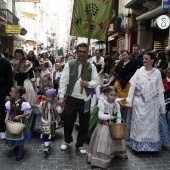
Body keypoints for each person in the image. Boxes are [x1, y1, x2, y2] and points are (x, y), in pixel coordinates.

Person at [58, 43, 99, 154]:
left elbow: (96, 81)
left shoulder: (92, 66)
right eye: (80, 51)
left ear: (87, 53)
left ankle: (80, 144)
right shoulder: (69, 64)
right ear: (76, 52)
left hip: (85, 99)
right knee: (68, 120)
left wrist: (88, 84)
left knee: (84, 122)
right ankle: (67, 140)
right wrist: (61, 96)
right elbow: (63, 80)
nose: (82, 54)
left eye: (84, 52)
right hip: (71, 98)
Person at [126, 52, 170, 151]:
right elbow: (132, 87)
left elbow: (160, 90)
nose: (144, 60)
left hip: (152, 104)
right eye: (144, 59)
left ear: (152, 60)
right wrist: (129, 101)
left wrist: (162, 106)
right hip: (139, 102)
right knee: (139, 125)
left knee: (151, 125)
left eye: (146, 59)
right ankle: (137, 146)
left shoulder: (157, 73)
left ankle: (151, 147)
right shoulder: (139, 72)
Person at [86, 86, 127, 169]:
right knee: (103, 143)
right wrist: (109, 117)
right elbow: (100, 115)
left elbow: (119, 114)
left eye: (115, 95)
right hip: (104, 127)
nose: (113, 97)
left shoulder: (116, 104)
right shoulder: (103, 104)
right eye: (111, 95)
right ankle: (100, 158)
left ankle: (114, 153)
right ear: (106, 94)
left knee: (115, 141)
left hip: (114, 128)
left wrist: (118, 124)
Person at [103, 50, 137, 122]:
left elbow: (135, 77)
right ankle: (116, 118)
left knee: (125, 102)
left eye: (125, 54)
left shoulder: (133, 64)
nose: (123, 56)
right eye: (122, 55)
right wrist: (109, 83)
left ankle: (124, 120)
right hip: (118, 85)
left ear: (128, 55)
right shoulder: (120, 63)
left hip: (128, 86)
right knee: (116, 102)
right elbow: (115, 74)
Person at [4, 87, 32, 161]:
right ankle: (17, 145)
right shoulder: (10, 102)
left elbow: (27, 113)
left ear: (18, 94)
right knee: (14, 133)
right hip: (12, 120)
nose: (10, 93)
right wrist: (7, 117)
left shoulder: (23, 103)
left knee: (20, 136)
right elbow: (8, 111)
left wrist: (20, 116)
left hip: (20, 122)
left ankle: (20, 152)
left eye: (12, 92)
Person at [39, 89, 59, 155]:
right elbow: (40, 109)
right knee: (45, 133)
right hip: (45, 121)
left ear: (53, 97)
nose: (47, 98)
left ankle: (48, 144)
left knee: (51, 134)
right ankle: (46, 146)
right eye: (47, 96)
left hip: (52, 122)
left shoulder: (55, 104)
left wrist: (61, 108)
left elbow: (59, 111)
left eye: (50, 97)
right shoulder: (43, 103)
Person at [0, 42, 13, 139]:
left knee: (2, 110)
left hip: (2, 89)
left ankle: (2, 129)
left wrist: (8, 93)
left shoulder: (6, 62)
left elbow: (9, 79)